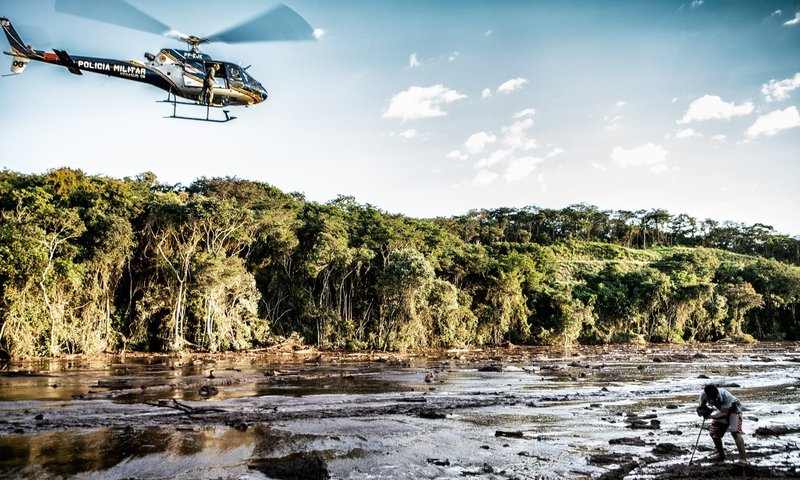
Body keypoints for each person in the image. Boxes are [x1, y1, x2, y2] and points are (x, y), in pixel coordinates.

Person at [697, 384, 747, 463]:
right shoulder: (703, 395)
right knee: (714, 433)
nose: (717, 399)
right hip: (721, 409)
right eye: (714, 398)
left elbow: (725, 414)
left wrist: (711, 416)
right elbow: (701, 407)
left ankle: (743, 459)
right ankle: (721, 455)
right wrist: (702, 412)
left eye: (717, 397)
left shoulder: (726, 395)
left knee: (735, 432)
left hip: (734, 410)